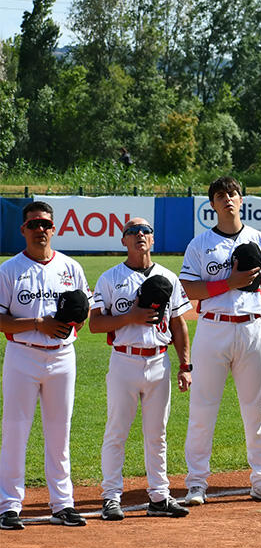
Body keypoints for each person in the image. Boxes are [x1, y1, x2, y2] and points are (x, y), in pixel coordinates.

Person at [179, 177, 261, 505]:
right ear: (211, 204)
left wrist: (256, 281)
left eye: (233, 194)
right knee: (202, 408)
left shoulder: (260, 240)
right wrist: (231, 281)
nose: (228, 199)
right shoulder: (200, 244)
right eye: (221, 195)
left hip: (253, 328)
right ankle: (196, 483)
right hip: (213, 328)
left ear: (242, 200)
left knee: (257, 409)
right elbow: (189, 290)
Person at [89, 218, 193, 521]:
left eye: (145, 231)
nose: (139, 236)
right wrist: (130, 317)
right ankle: (111, 496)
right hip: (124, 361)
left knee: (157, 434)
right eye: (132, 232)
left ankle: (159, 496)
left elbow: (178, 324)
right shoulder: (110, 278)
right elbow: (95, 324)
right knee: (116, 432)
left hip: (159, 362)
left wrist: (185, 365)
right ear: (124, 241)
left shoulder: (168, 277)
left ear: (153, 240)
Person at [0, 201, 91, 530]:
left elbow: (85, 310)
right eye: (34, 224)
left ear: (54, 229)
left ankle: (63, 504)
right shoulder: (9, 270)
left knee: (59, 432)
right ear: (23, 230)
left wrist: (73, 322)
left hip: (63, 356)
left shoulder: (71, 267)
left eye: (46, 224)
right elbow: (1, 320)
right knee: (15, 430)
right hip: (22, 355)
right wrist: (39, 323)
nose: (41, 229)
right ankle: (9, 505)